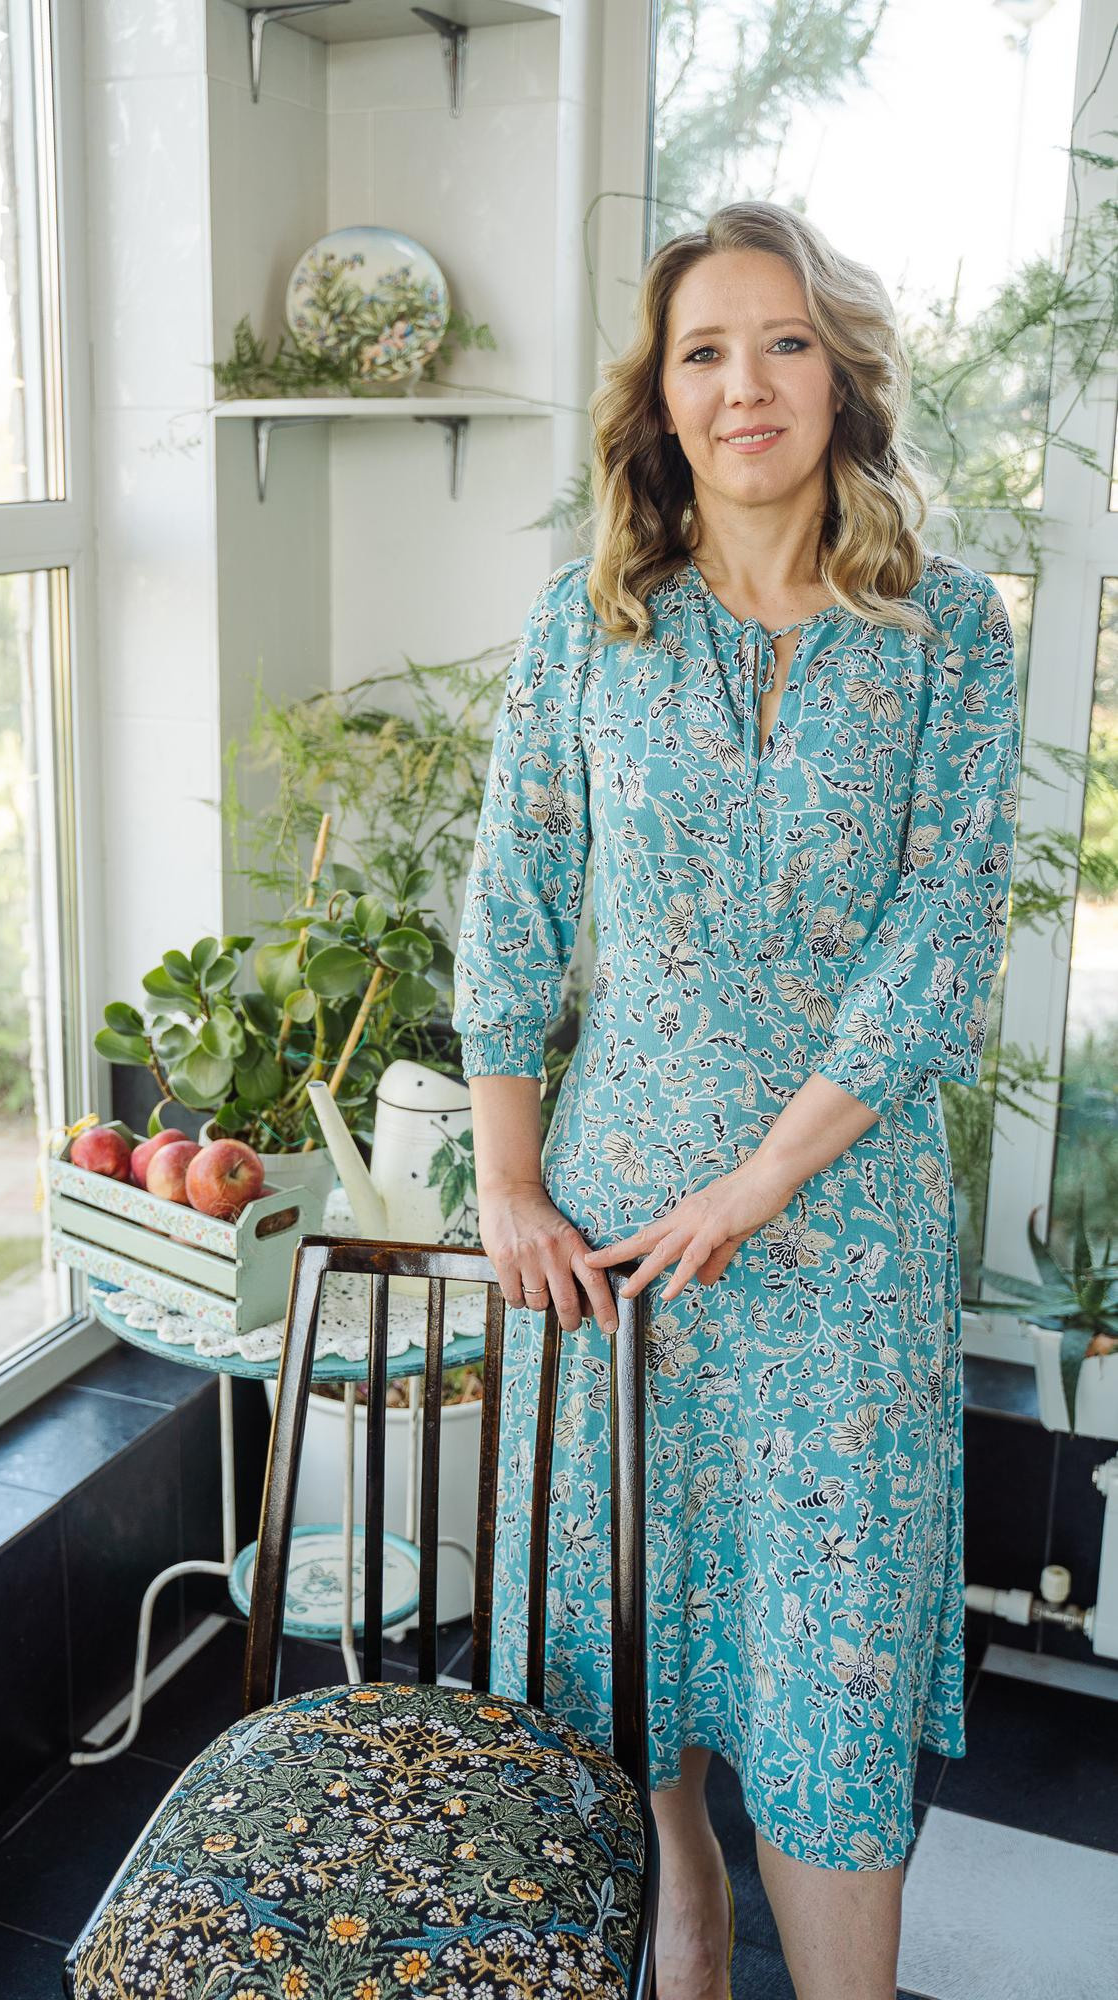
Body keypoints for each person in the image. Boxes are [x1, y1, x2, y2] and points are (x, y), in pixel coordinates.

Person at [451, 200, 1022, 2000]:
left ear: (840, 379)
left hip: (837, 1239)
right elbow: (513, 907)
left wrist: (764, 1180)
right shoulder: (587, 626)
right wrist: (506, 1185)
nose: (744, 383)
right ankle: (683, 1925)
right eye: (703, 350)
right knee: (631, 1644)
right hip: (616, 1239)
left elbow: (945, 928)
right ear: (662, 398)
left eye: (782, 343)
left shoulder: (946, 629)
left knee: (828, 1676)